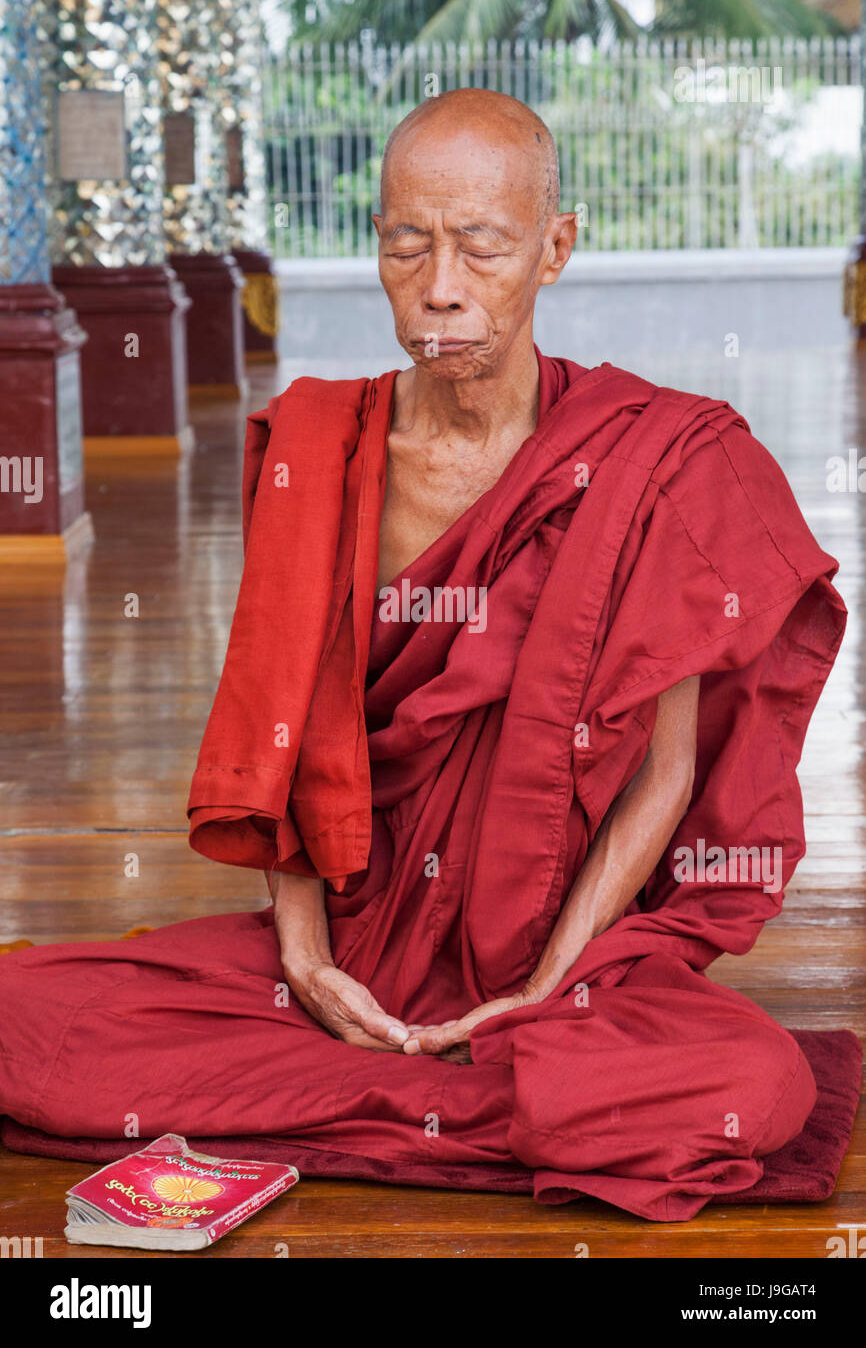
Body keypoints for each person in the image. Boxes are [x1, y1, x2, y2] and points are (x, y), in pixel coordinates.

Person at [0, 90, 847, 1221]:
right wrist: (304, 960)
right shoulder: (318, 443)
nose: (440, 286)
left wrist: (547, 986)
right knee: (17, 1017)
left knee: (753, 1085)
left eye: (481, 246)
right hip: (353, 935)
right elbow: (279, 733)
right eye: (407, 242)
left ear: (555, 246)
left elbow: (667, 772)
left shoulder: (656, 458)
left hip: (563, 954)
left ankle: (437, 1074)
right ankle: (452, 1085)